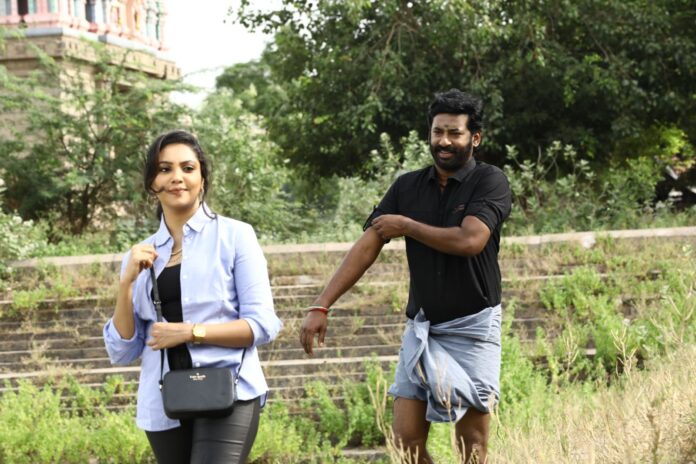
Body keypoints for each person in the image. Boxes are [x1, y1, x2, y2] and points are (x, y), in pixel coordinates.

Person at [300, 89, 511, 463]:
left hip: (474, 327)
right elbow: (368, 244)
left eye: (455, 133)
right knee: (405, 441)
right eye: (437, 132)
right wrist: (322, 304)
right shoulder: (407, 187)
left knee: (473, 444)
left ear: (475, 138)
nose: (444, 141)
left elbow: (470, 240)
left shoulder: (489, 181)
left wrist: (408, 226)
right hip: (423, 327)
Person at [103, 130, 282, 464]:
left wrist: (190, 332)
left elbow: (262, 325)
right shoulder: (140, 254)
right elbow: (122, 350)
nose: (177, 177)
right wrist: (126, 284)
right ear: (152, 182)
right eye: (165, 169)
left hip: (229, 390)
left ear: (202, 178)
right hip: (164, 401)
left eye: (187, 168)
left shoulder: (235, 236)